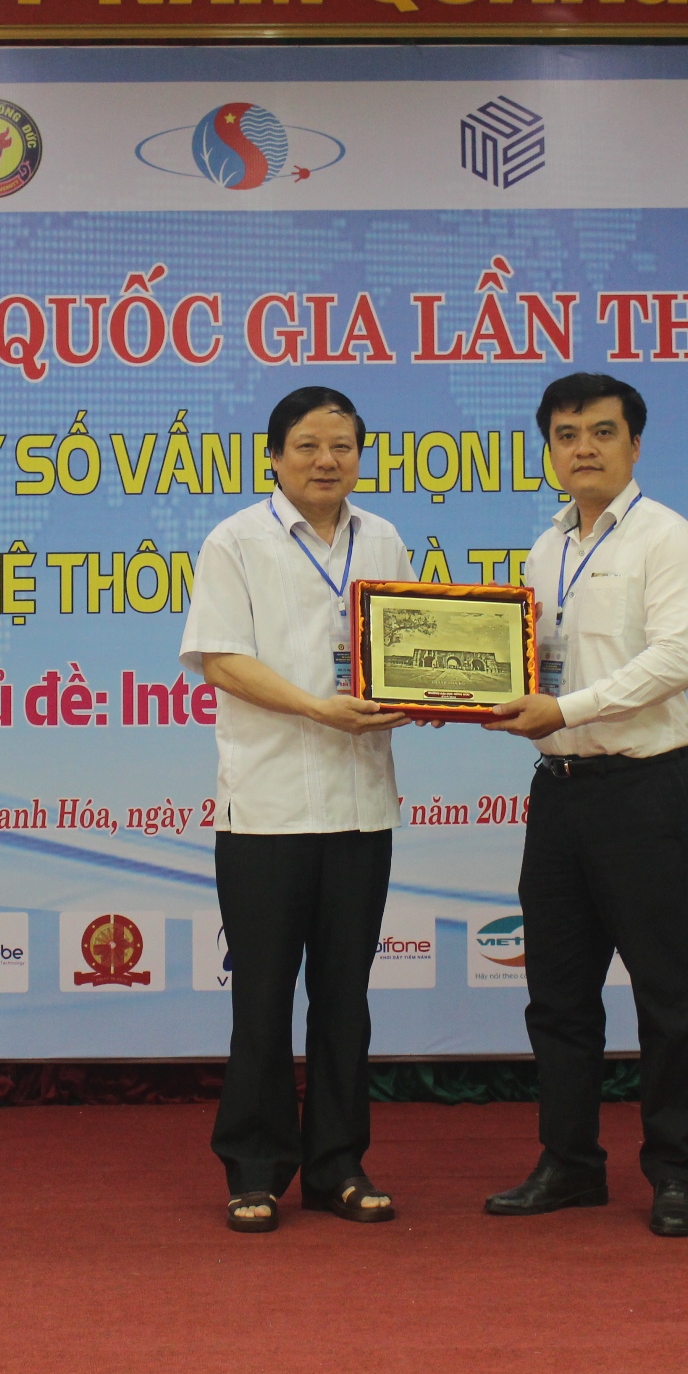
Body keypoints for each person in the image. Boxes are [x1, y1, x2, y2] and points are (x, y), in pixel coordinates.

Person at [481, 372, 688, 1238]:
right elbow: (529, 663)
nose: (583, 448)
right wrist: (472, 696)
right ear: (549, 448)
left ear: (634, 445)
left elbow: (676, 659)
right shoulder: (544, 548)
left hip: (644, 791)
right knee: (557, 996)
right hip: (558, 793)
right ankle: (570, 1163)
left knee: (664, 994)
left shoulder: (667, 538)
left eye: (602, 432)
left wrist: (565, 709)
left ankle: (676, 1174)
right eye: (566, 434)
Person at [180, 385, 414, 1234]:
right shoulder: (235, 540)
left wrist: (426, 695)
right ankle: (253, 1169)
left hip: (359, 806)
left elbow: (408, 645)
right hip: (267, 809)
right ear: (273, 457)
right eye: (308, 446)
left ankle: (337, 1165)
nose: (326, 461)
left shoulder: (383, 539)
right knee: (263, 999)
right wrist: (319, 708)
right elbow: (219, 660)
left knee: (345, 999)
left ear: (360, 456)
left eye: (342, 446)